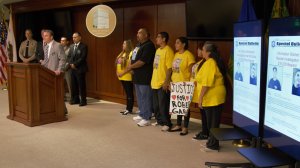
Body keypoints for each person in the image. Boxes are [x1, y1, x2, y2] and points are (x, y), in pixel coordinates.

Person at [198, 41, 227, 151]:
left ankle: (213, 145)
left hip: (213, 95)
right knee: (212, 122)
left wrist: (200, 98)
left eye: (204, 50)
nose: (202, 52)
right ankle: (211, 142)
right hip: (213, 95)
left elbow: (207, 83)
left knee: (213, 123)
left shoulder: (210, 62)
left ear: (208, 52)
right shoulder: (211, 61)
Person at [126, 28, 156, 127]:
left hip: (145, 76)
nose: (137, 35)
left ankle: (146, 118)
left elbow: (142, 61)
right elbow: (132, 58)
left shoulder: (149, 46)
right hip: (137, 76)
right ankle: (142, 113)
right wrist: (131, 66)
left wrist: (130, 67)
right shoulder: (138, 45)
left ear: (146, 35)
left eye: (140, 33)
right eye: (137, 33)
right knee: (139, 97)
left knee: (146, 97)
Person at [169, 37, 195, 136]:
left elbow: (192, 70)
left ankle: (185, 127)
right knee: (178, 105)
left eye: (178, 43)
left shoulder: (189, 55)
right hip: (175, 83)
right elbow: (173, 70)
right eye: (175, 42)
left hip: (184, 84)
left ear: (183, 44)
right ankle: (178, 125)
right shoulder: (176, 55)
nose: (175, 44)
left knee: (185, 107)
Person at [151, 32, 174, 131]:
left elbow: (170, 68)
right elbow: (155, 66)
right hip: (155, 81)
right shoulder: (157, 51)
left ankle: (167, 123)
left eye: (158, 37)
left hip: (162, 82)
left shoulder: (168, 51)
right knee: (156, 105)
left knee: (163, 105)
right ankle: (160, 121)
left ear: (164, 39)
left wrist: (166, 82)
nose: (156, 38)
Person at [191, 44, 208, 140]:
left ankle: (206, 133)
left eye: (199, 50)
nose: (198, 52)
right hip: (199, 91)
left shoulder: (208, 63)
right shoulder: (201, 62)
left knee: (206, 115)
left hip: (205, 93)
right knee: (203, 114)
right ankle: (204, 130)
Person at [67, 32, 88, 106]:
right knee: (74, 85)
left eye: (75, 37)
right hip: (72, 69)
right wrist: (71, 64)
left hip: (80, 69)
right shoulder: (71, 46)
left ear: (80, 37)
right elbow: (69, 56)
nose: (74, 39)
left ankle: (83, 100)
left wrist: (74, 64)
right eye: (73, 37)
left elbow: (82, 57)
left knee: (81, 85)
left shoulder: (84, 46)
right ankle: (76, 100)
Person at [116, 40, 134, 115]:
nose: (123, 45)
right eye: (123, 43)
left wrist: (122, 73)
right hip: (121, 77)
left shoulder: (131, 53)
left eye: (124, 43)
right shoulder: (122, 53)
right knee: (127, 93)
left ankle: (129, 109)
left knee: (129, 93)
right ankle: (127, 108)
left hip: (127, 77)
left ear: (128, 45)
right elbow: (117, 64)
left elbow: (130, 67)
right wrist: (117, 72)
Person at [60, 37, 71, 102]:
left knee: (69, 84)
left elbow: (70, 59)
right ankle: (63, 97)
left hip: (67, 69)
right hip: (60, 69)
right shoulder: (59, 49)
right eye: (61, 41)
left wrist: (65, 67)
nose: (62, 42)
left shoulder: (69, 49)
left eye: (63, 41)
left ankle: (72, 98)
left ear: (67, 42)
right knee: (61, 84)